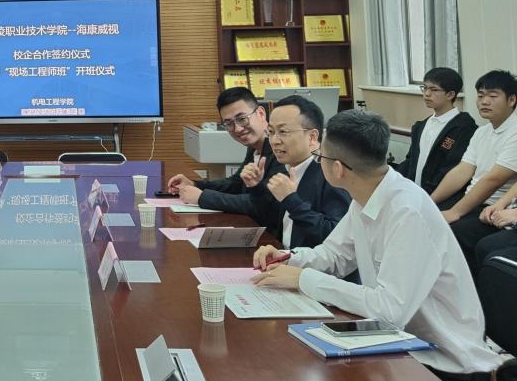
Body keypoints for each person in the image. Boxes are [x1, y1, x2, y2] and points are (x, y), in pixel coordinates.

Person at [252, 110, 503, 380]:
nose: (318, 162)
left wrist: (303, 279)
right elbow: (335, 255)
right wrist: (288, 258)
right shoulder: (366, 195)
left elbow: (389, 310)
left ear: (337, 168)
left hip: (443, 362)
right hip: (398, 344)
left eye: (320, 157)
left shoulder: (407, 210)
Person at [430, 70, 517, 272]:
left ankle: (465, 288)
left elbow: (494, 179)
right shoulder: (482, 132)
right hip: (472, 199)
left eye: (493, 96)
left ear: (512, 100)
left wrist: (455, 212)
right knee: (425, 218)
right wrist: (430, 201)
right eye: (480, 95)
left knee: (452, 232)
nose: (484, 101)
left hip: (494, 207)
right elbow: (462, 171)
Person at [241, 95, 350, 247]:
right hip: (283, 255)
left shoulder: (331, 174)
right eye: (271, 132)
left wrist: (291, 200)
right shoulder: (287, 168)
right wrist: (256, 187)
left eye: (283, 131)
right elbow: (270, 221)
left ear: (312, 137)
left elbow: (335, 237)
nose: (274, 141)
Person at [167, 87, 282, 227]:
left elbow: (261, 204)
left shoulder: (279, 150)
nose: (238, 129)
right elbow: (235, 184)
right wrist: (195, 184)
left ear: (261, 114)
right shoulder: (255, 147)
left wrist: (202, 197)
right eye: (229, 123)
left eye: (242, 119)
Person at [394, 67, 477, 209]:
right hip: (415, 195)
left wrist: (427, 197)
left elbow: (452, 168)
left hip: (441, 200)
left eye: (434, 89)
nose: (427, 94)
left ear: (450, 94)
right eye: (424, 88)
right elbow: (410, 161)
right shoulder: (421, 126)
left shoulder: (464, 127)